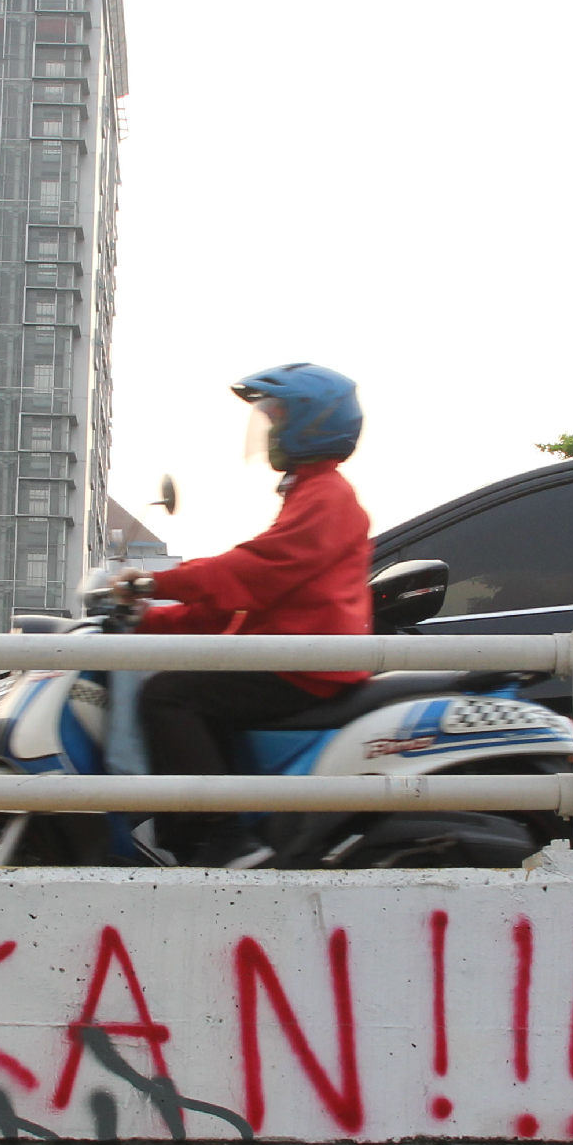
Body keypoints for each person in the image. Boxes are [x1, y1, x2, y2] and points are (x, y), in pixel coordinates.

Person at [122, 363, 372, 863]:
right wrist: (145, 620)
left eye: (276, 418)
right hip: (289, 654)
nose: (269, 430)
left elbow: (251, 572)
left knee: (168, 696)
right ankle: (195, 834)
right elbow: (237, 607)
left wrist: (157, 582)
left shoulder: (327, 497)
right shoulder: (311, 492)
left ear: (311, 424)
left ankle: (225, 836)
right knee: (188, 685)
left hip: (305, 665)